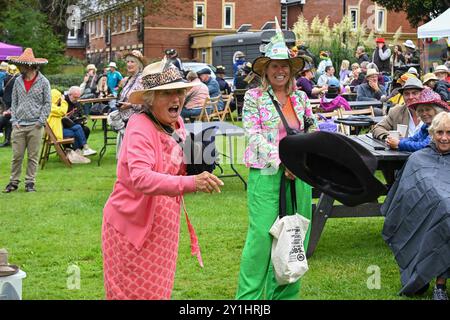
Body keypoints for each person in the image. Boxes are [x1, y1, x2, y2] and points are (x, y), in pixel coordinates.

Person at [101, 59, 223, 300]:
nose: (175, 98)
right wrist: (191, 183)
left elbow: (177, 166)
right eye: (166, 93)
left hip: (163, 229)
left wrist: (199, 160)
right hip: (133, 229)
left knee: (158, 294)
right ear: (150, 99)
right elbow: (141, 178)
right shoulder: (139, 126)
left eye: (178, 91)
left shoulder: (175, 123)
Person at [236, 27, 317, 300]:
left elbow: (311, 129)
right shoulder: (253, 98)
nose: (280, 71)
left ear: (291, 70)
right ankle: (249, 299)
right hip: (267, 175)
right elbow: (254, 135)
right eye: (274, 66)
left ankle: (284, 295)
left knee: (295, 237)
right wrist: (285, 162)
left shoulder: (301, 98)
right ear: (265, 70)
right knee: (261, 239)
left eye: (285, 66)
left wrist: (302, 162)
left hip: (300, 177)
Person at [381, 111, 450, 300]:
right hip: (427, 212)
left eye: (449, 133)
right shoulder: (418, 158)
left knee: (446, 215)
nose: (444, 138)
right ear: (432, 133)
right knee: (442, 213)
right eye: (440, 132)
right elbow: (408, 195)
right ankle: (421, 274)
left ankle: (440, 284)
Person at [2, 48, 51, 193]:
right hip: (19, 125)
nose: (18, 68)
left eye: (21, 65)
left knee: (33, 157)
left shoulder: (43, 82)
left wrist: (40, 122)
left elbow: (47, 103)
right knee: (16, 156)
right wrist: (14, 120)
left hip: (35, 125)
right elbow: (14, 102)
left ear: (29, 66)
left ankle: (30, 183)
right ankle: (13, 182)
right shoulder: (18, 80)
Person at [47, 89, 92, 164]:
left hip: (58, 129)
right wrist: (63, 101)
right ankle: (80, 150)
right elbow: (62, 111)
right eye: (59, 98)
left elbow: (79, 112)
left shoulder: (52, 106)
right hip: (56, 132)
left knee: (79, 128)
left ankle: (78, 151)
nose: (59, 100)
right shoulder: (51, 107)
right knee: (77, 131)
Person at [0, 65, 19, 147]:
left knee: (6, 118)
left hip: (6, 101)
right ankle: (7, 140)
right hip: (15, 102)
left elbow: (1, 90)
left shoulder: (5, 79)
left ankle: (7, 140)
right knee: (8, 120)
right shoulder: (17, 80)